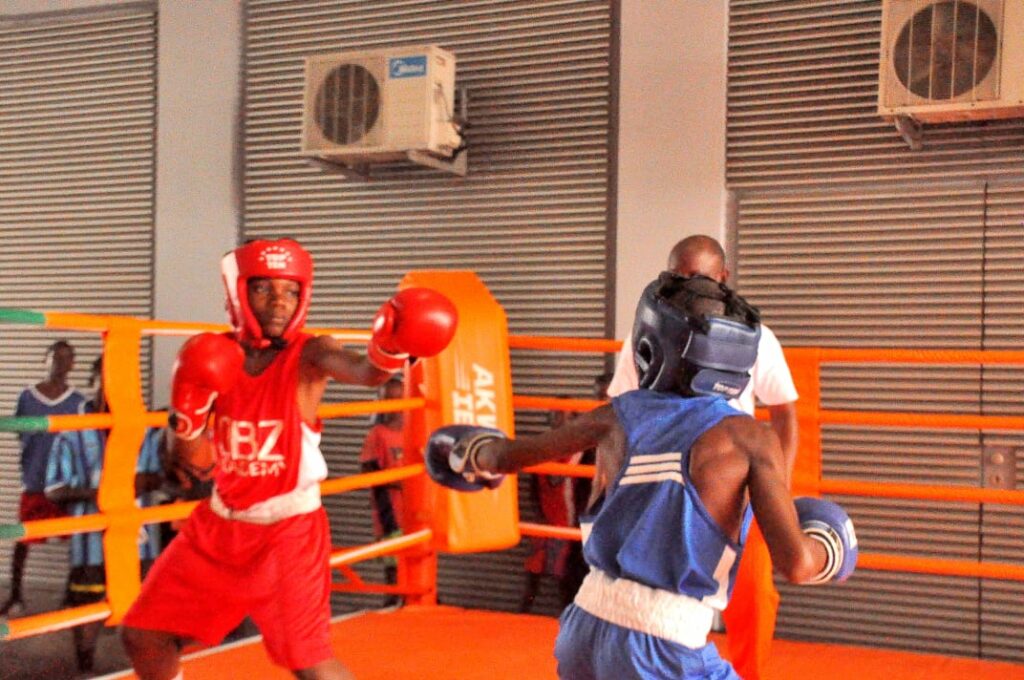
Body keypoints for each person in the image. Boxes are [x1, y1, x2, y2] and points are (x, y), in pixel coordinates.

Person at [425, 273, 856, 680]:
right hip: (663, 646)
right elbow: (797, 564)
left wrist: (466, 453)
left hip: (583, 628)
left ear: (651, 347)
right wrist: (831, 546)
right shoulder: (749, 438)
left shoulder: (616, 414)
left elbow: (502, 456)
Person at [121, 238, 457, 680]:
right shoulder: (211, 356)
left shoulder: (310, 354)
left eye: (291, 291)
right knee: (144, 634)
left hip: (288, 533)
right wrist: (185, 416)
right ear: (237, 292)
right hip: (220, 526)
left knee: (308, 662)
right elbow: (195, 464)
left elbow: (365, 373)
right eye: (264, 289)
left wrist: (390, 347)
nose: (279, 302)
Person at [608, 235, 798, 680]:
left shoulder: (756, 338)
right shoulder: (646, 332)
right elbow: (620, 412)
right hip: (663, 486)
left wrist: (777, 489)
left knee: (753, 596)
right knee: (652, 595)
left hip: (734, 486)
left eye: (700, 277)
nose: (689, 288)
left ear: (723, 278)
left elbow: (785, 412)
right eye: (680, 277)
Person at [44, 356, 163, 675]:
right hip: (90, 545)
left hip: (141, 542)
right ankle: (86, 669)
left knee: (146, 610)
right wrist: (102, 493)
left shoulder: (144, 427)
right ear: (94, 382)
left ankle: (147, 670)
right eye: (108, 379)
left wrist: (146, 481)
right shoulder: (71, 432)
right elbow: (53, 490)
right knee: (87, 608)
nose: (116, 389)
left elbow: (159, 477)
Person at [1, 340, 86, 617]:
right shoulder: (27, 396)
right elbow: (20, 432)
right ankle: (15, 595)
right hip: (34, 480)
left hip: (64, 485)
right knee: (23, 540)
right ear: (45, 359)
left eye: (66, 358)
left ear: (73, 364)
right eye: (55, 357)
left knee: (74, 541)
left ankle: (69, 595)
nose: (60, 363)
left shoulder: (78, 402)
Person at [519, 406, 578, 613]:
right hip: (546, 522)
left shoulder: (579, 452)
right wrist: (539, 515)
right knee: (533, 577)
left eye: (567, 416)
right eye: (557, 415)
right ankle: (522, 616)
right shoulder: (545, 450)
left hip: (567, 525)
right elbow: (534, 487)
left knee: (564, 579)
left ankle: (566, 619)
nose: (561, 421)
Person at [359, 376, 406, 605]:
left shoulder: (416, 430)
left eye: (399, 399)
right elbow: (368, 470)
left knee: (415, 560)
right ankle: (392, 603)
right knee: (393, 566)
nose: (395, 406)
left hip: (415, 510)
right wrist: (397, 482)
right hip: (390, 512)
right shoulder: (377, 434)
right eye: (390, 399)